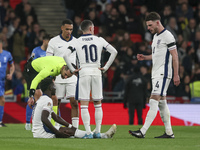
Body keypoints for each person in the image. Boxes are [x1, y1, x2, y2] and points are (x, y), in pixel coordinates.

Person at [129, 12, 180, 138]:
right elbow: (157, 55)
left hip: (163, 73)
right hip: (156, 73)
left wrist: (176, 74)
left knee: (153, 99)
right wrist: (145, 57)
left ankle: (143, 131)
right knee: (162, 103)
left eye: (150, 25)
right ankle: (169, 132)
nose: (148, 28)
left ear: (158, 22)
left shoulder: (168, 36)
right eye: (147, 26)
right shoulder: (156, 37)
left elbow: (175, 56)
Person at [64, 20, 118, 138]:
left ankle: (88, 132)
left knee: (84, 104)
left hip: (83, 72)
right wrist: (105, 67)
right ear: (91, 29)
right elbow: (114, 52)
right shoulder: (99, 40)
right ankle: (98, 131)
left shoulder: (77, 41)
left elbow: (65, 55)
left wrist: (73, 70)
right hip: (97, 71)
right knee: (97, 103)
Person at [32, 77, 117, 138]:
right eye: (54, 85)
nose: (55, 87)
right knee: (69, 132)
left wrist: (70, 126)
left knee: (70, 131)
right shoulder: (47, 100)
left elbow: (56, 117)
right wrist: (57, 132)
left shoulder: (42, 99)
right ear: (50, 88)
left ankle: (90, 134)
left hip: (38, 132)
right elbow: (44, 118)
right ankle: (102, 136)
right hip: (42, 133)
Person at [46, 19, 79, 128]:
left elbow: (80, 58)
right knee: (56, 102)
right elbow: (48, 60)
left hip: (72, 77)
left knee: (74, 102)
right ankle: (54, 127)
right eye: (67, 29)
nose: (69, 32)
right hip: (58, 77)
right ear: (62, 28)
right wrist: (51, 76)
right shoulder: (53, 41)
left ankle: (75, 128)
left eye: (71, 29)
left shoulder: (76, 42)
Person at [25, 34, 53, 130]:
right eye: (49, 41)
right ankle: (28, 122)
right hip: (36, 77)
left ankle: (50, 121)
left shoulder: (51, 52)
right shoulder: (36, 51)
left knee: (51, 99)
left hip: (47, 78)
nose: (50, 44)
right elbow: (31, 63)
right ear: (44, 40)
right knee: (34, 98)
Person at [0, 39, 15, 127]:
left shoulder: (7, 54)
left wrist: (11, 73)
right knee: (2, 99)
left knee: (2, 100)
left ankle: (0, 121)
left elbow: (12, 65)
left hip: (2, 81)